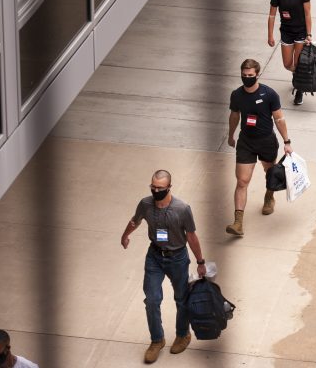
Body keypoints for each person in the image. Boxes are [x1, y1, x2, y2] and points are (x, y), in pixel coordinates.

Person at [120, 170, 206, 364]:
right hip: (155, 256)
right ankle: (157, 340)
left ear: (169, 188)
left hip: (177, 258)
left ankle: (183, 334)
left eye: (160, 187)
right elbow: (136, 220)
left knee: (181, 299)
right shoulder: (145, 204)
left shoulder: (182, 208)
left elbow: (191, 236)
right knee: (152, 299)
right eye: (153, 186)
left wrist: (200, 262)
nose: (155, 190)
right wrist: (125, 235)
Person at [226, 58, 293, 235]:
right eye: (244, 75)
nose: (247, 78)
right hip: (246, 141)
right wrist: (231, 134)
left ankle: (269, 197)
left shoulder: (269, 94)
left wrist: (287, 142)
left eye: (250, 75)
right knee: (242, 181)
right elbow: (234, 116)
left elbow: (279, 118)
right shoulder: (237, 95)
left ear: (257, 75)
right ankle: (238, 222)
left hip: (266, 141)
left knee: (270, 173)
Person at [267, 0, 312, 105]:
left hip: (300, 32)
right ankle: (298, 76)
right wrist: (270, 35)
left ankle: (299, 89)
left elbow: (307, 14)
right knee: (287, 64)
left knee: (298, 63)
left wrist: (309, 34)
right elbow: (272, 16)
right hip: (286, 32)